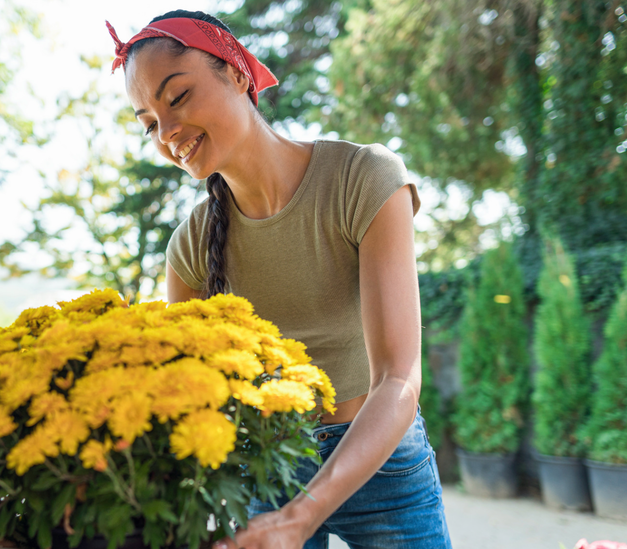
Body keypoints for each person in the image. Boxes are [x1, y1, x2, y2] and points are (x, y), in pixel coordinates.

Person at [107, 10, 452, 549]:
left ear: (238, 74)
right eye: (149, 123)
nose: (167, 132)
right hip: (263, 470)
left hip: (382, 464)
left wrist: (303, 515)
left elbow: (399, 379)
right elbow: (195, 404)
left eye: (176, 97)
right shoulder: (190, 247)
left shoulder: (363, 179)